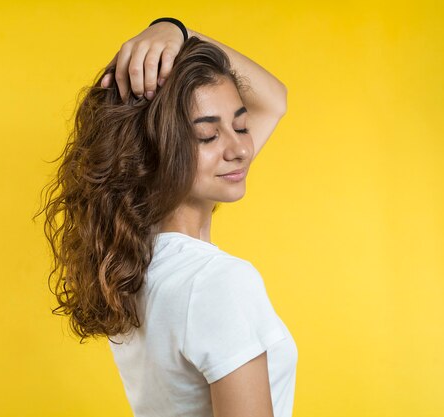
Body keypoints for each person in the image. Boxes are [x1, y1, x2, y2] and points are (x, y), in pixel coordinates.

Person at [34, 17, 297, 417]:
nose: (240, 149)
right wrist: (181, 32)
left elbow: (274, 100)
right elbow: (274, 100)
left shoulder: (130, 265)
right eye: (207, 136)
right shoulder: (217, 282)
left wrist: (175, 31)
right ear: (154, 152)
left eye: (240, 125)